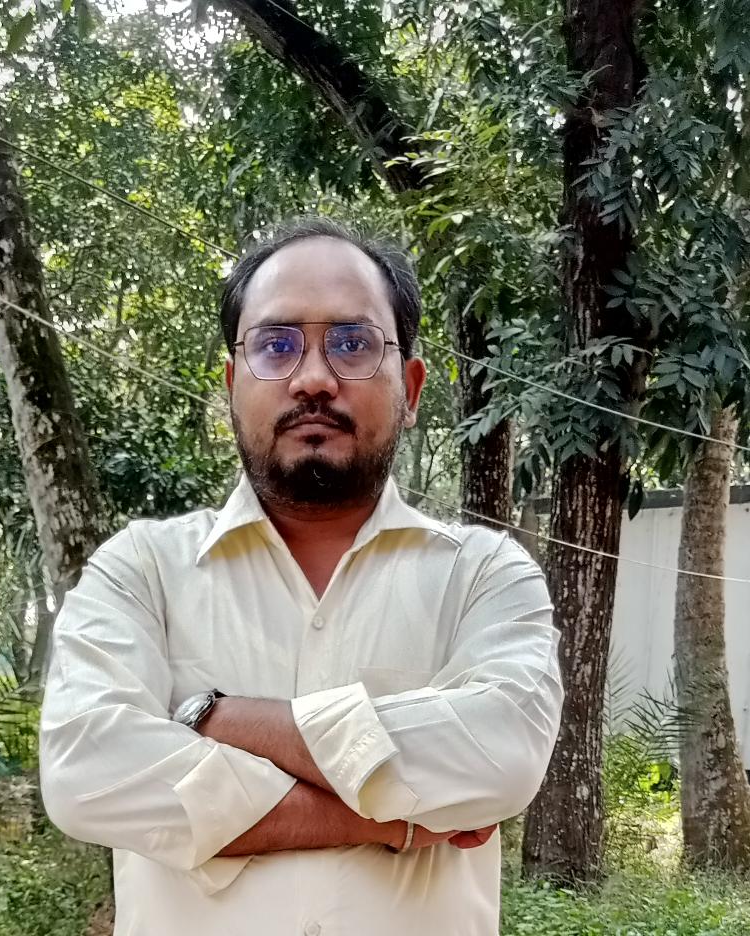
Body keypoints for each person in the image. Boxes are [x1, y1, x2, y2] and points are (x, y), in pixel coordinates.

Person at [39, 218, 564, 936]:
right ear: (233, 384)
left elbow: (501, 758)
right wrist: (391, 820)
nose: (314, 378)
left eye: (353, 343)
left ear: (411, 388)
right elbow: (85, 772)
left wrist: (215, 717)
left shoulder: (485, 576)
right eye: (276, 345)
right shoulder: (141, 571)